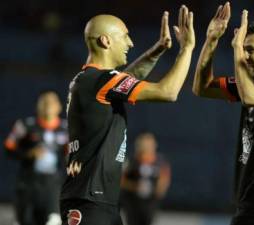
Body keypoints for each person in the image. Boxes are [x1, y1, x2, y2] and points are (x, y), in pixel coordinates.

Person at [60, 6, 195, 225]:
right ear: (105, 41)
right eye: (124, 36)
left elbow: (126, 79)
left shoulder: (89, 80)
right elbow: (167, 92)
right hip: (90, 203)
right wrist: (187, 49)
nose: (130, 43)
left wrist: (157, 50)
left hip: (99, 201)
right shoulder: (99, 80)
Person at [192, 4, 254, 225]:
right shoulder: (251, 84)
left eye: (250, 50)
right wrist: (212, 41)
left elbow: (251, 98)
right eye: (243, 49)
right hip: (248, 201)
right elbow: (201, 88)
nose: (244, 56)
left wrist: (236, 49)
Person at [4, 90, 68, 225]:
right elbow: (8, 147)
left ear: (59, 106)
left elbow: (72, 154)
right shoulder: (25, 125)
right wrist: (28, 154)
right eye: (44, 102)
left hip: (53, 184)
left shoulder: (66, 128)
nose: (47, 105)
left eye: (51, 102)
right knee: (25, 220)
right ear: (38, 106)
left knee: (54, 221)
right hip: (28, 183)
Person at [120, 132, 170, 225]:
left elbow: (164, 179)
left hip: (150, 202)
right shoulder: (131, 162)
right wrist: (134, 186)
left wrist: (159, 189)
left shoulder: (160, 162)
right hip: (132, 201)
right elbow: (122, 181)